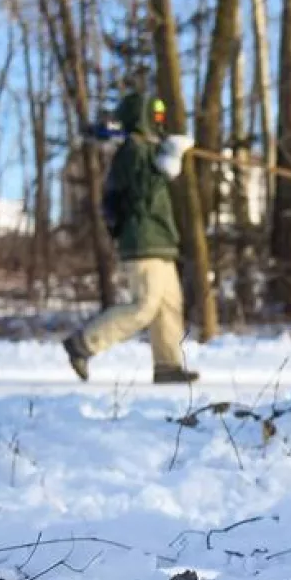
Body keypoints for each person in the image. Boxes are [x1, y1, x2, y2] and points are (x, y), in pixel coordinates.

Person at [63, 91, 199, 384]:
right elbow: (142, 195)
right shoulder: (133, 151)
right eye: (155, 115)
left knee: (169, 305)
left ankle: (168, 365)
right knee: (144, 305)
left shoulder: (149, 149)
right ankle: (83, 343)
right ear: (143, 117)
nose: (160, 121)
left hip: (161, 240)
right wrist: (168, 161)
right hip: (142, 241)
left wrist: (164, 155)